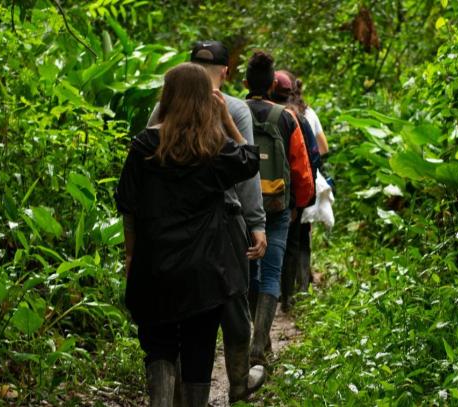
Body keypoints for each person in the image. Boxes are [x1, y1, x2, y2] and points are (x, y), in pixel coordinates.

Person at [115, 62, 260, 407]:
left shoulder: (144, 145)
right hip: (205, 269)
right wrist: (227, 121)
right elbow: (250, 160)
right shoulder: (214, 147)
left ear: (168, 96)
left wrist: (131, 255)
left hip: (155, 263)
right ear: (205, 100)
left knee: (159, 344)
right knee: (199, 345)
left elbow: (128, 207)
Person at [244, 51, 314, 366]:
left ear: (244, 82)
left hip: (242, 207)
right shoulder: (286, 118)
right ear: (273, 84)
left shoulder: (233, 112)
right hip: (276, 206)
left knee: (250, 273)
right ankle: (260, 344)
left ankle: (259, 339)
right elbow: (301, 169)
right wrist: (299, 203)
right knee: (272, 270)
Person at [270, 70, 322, 313]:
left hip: (256, 194)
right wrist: (302, 201)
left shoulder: (251, 113)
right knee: (291, 245)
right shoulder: (297, 118)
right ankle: (287, 297)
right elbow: (311, 159)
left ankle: (264, 297)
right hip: (288, 196)